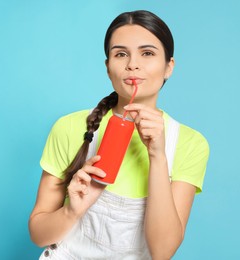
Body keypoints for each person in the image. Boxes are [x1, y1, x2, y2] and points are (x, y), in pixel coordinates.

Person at [29, 10, 210, 260]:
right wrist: (72, 211)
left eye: (147, 53)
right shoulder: (69, 127)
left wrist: (157, 155)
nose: (132, 64)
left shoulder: (189, 143)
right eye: (121, 54)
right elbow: (38, 235)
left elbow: (163, 252)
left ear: (169, 67)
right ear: (107, 67)